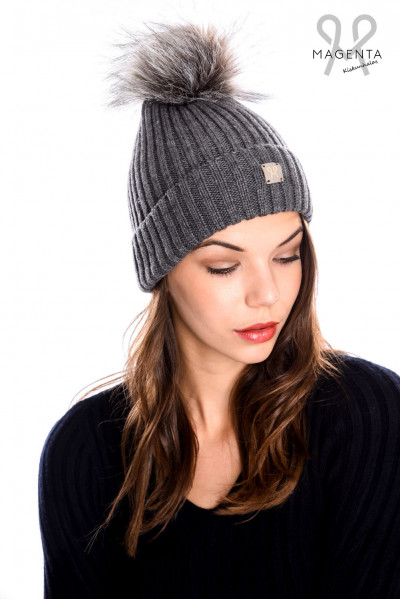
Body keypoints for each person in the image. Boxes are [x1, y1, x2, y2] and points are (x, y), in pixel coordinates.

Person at [38, 21, 400, 599]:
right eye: (224, 266)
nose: (267, 294)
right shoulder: (85, 451)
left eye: (287, 255)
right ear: (162, 270)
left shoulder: (366, 414)